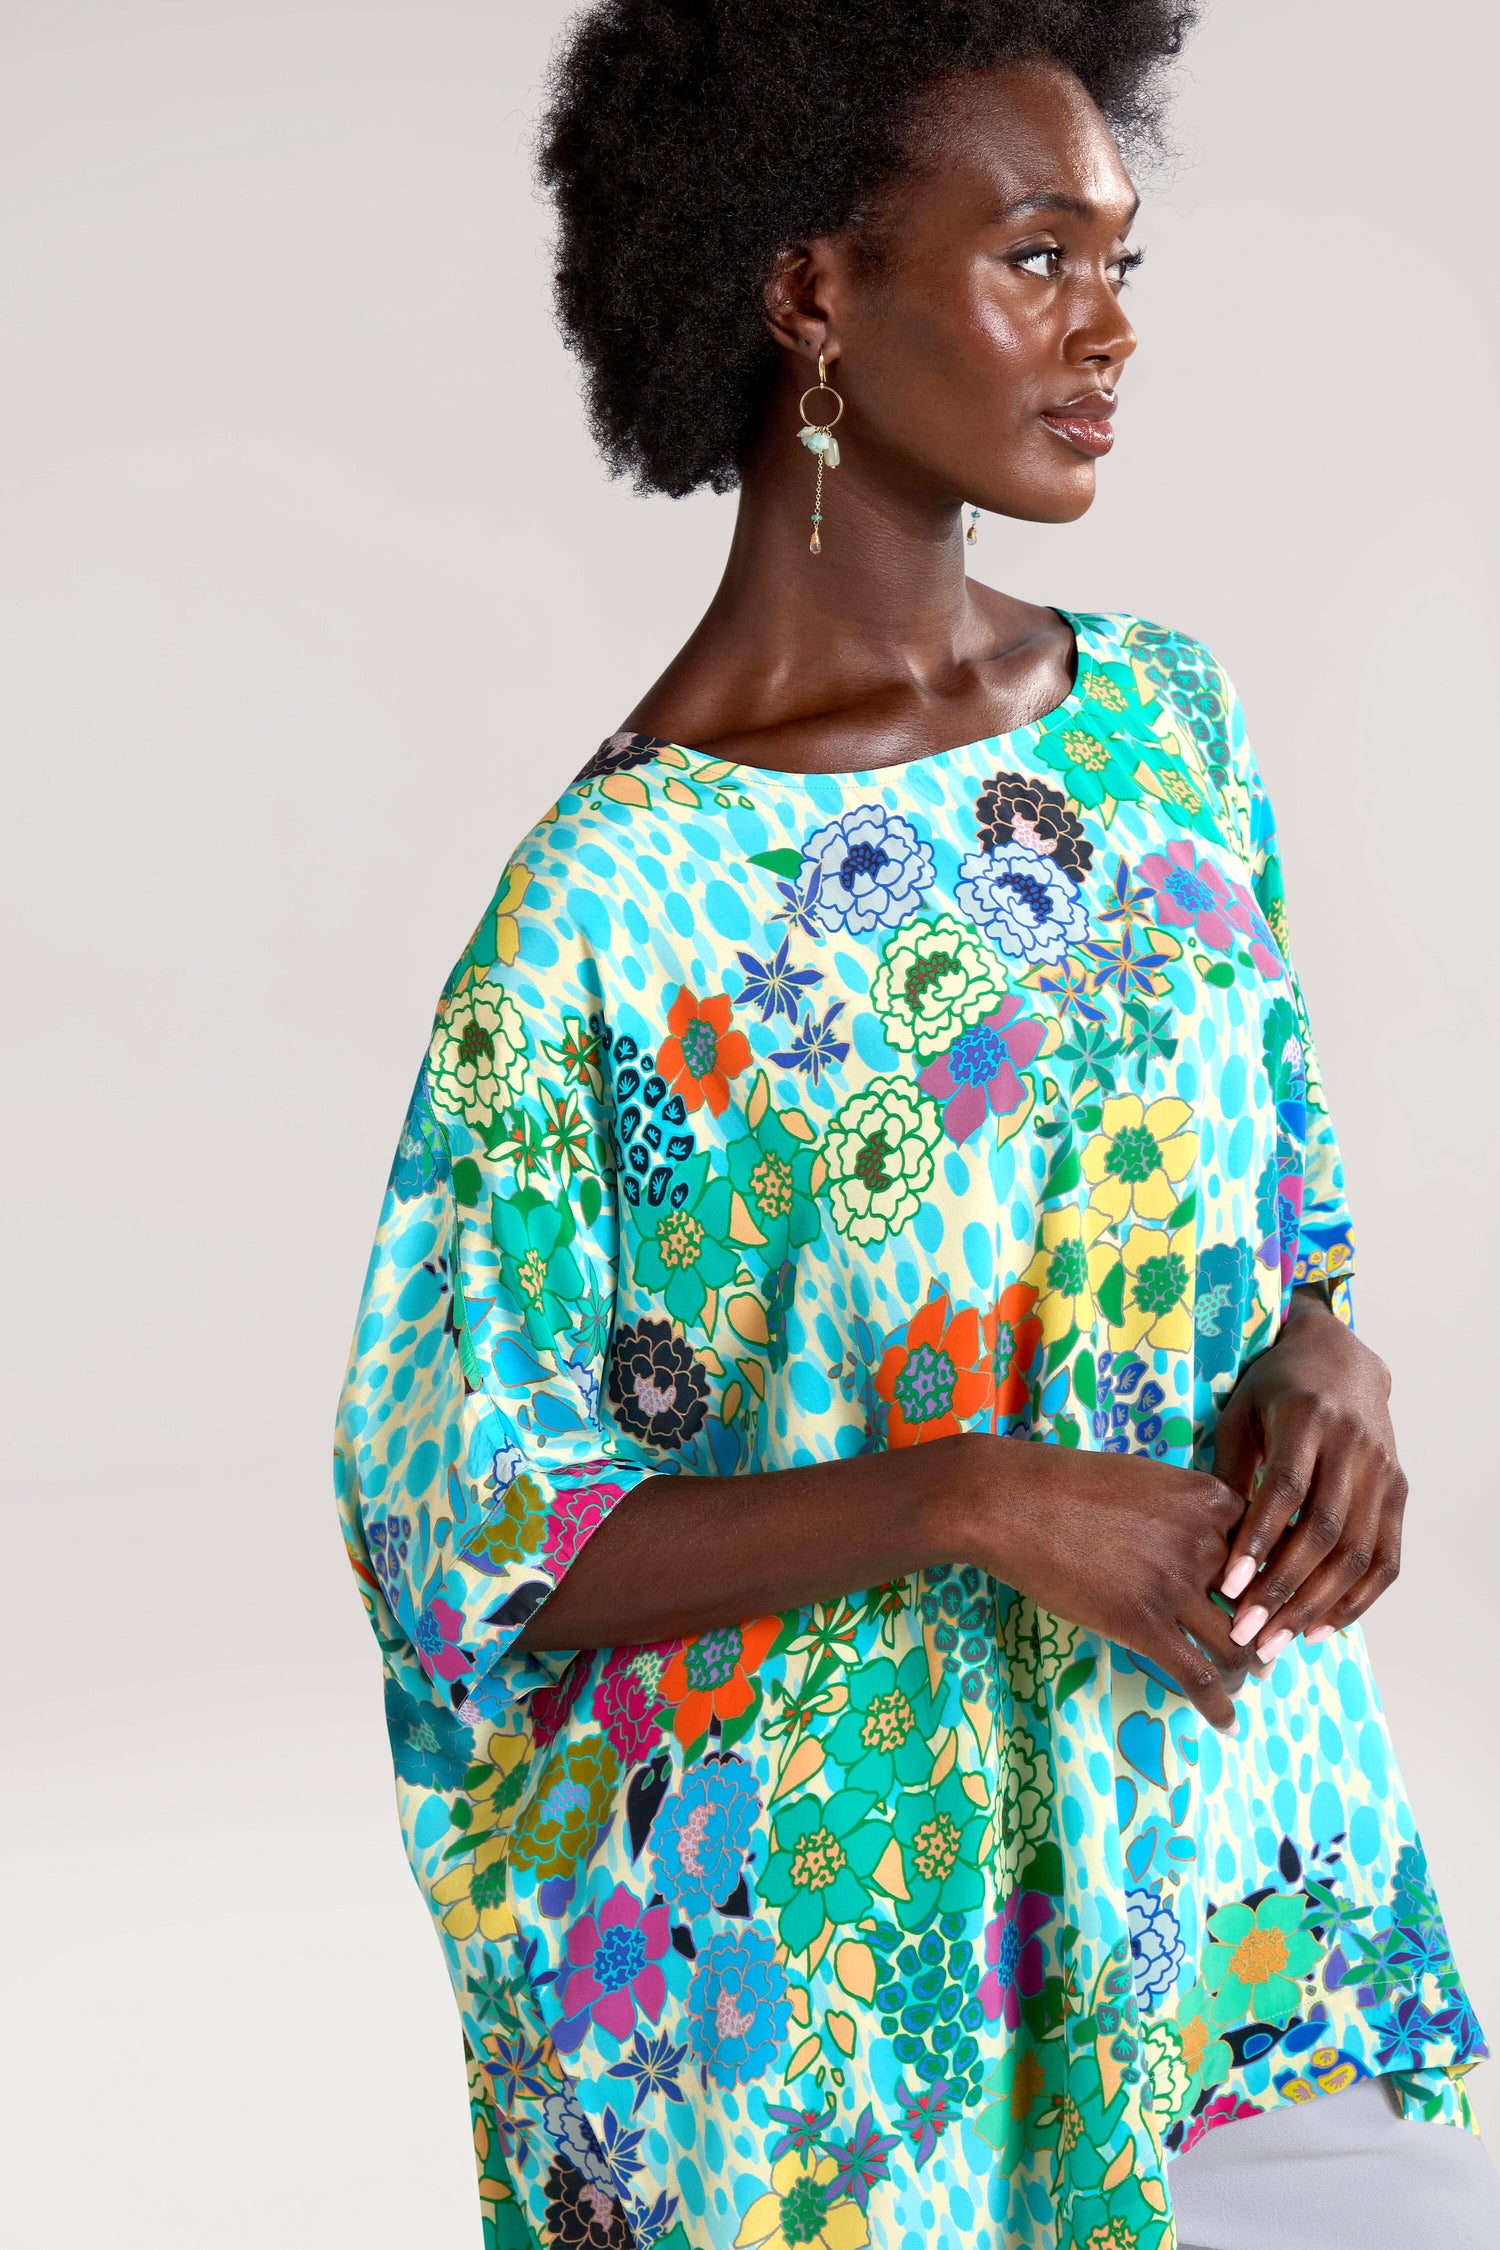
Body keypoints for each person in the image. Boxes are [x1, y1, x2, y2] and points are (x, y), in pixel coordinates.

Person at [333, 5, 1497, 2245]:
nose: (1109, 332)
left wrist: (1325, 1362)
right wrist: (971, 1499)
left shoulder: (1172, 733)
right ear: (812, 296)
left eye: (1124, 266)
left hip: (1224, 1856)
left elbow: (1280, 1226)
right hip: (841, 1994)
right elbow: (470, 1528)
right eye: (1040, 256)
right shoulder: (610, 913)